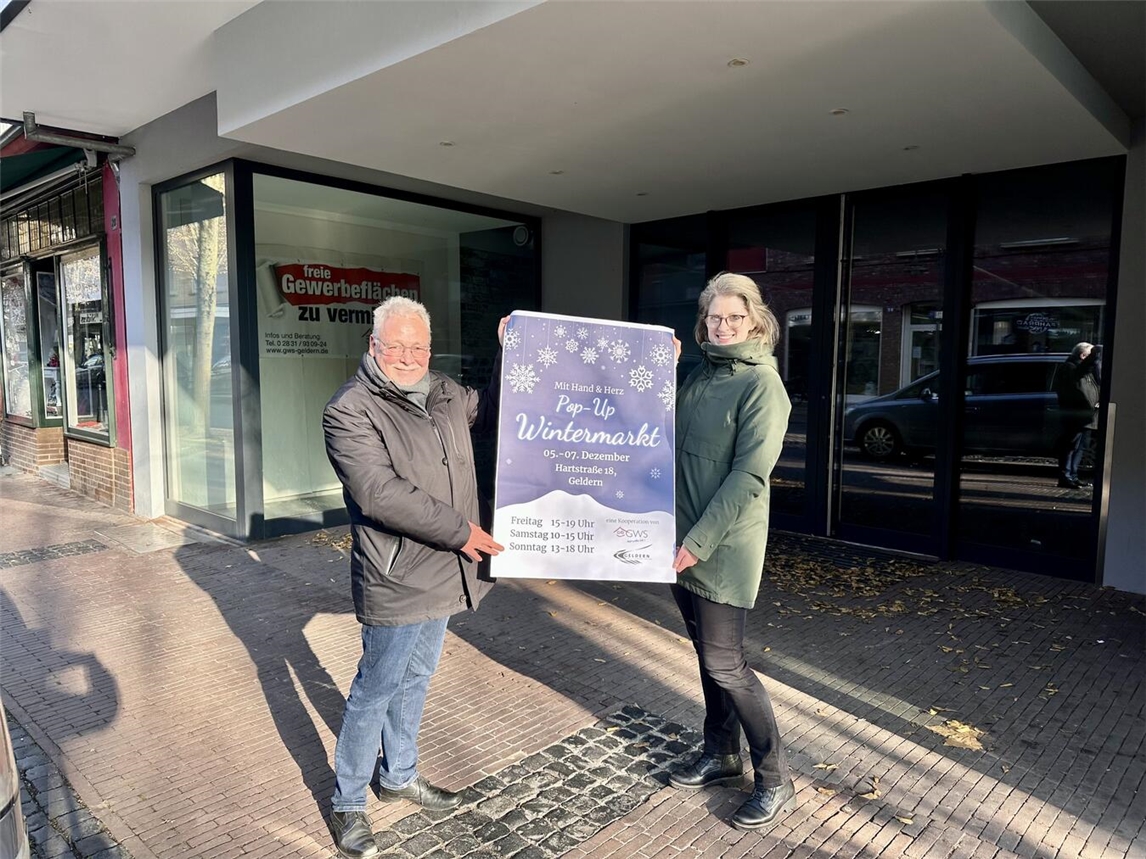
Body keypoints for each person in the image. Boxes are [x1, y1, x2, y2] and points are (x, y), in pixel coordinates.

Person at [323, 297, 505, 859]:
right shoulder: (350, 410)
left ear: (430, 346)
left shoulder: (447, 392)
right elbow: (379, 494)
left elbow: (500, 408)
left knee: (417, 677)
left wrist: (513, 352)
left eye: (418, 346)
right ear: (373, 346)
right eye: (395, 345)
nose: (407, 356)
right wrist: (463, 532)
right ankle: (348, 803)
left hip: (448, 571)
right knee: (374, 689)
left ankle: (398, 773)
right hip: (400, 573)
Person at [669, 272, 796, 831]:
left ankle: (775, 777)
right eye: (714, 318)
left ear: (755, 322)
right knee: (706, 658)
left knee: (726, 663)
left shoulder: (761, 384)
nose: (723, 327)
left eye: (734, 318)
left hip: (719, 546)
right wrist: (660, 368)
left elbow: (749, 476)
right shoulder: (700, 372)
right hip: (678, 544)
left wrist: (699, 542)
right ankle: (720, 755)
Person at [1053, 342, 1099, 490]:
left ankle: (1072, 475)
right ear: (1083, 355)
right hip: (1076, 414)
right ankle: (1066, 476)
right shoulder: (1070, 368)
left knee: (1080, 447)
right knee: (1071, 445)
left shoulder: (1083, 370)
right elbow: (1077, 382)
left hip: (1086, 414)